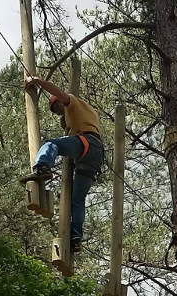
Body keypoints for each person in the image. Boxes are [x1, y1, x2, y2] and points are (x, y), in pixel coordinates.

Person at [19, 74, 104, 252]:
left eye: (56, 108)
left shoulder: (71, 101)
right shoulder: (87, 112)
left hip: (87, 142)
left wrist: (36, 81)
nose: (58, 112)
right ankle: (75, 237)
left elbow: (57, 91)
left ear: (58, 102)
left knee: (51, 144)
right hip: (95, 155)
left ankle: (42, 166)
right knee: (77, 200)